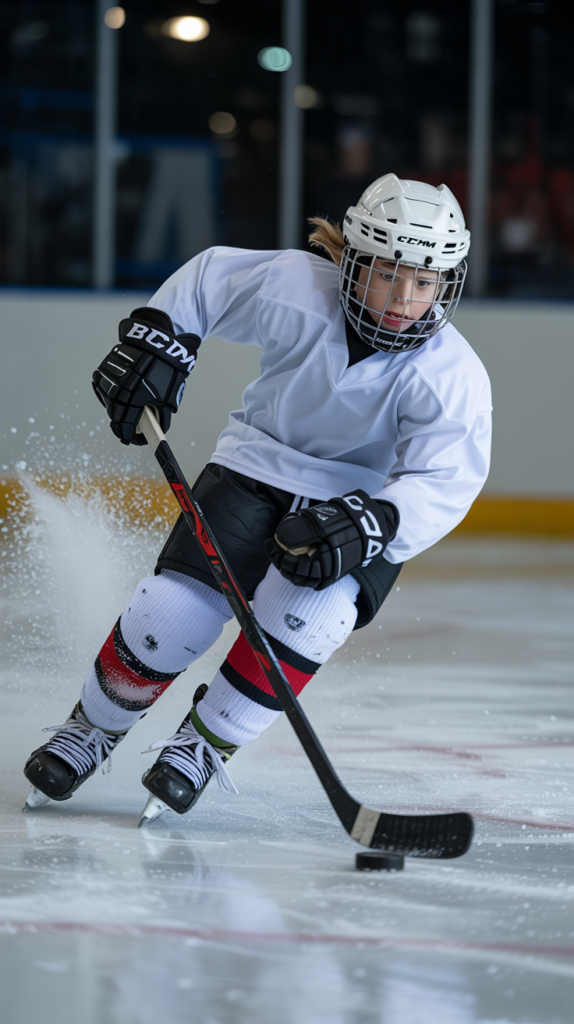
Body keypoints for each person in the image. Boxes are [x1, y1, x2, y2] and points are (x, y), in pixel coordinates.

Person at [23, 173, 492, 823]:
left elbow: (448, 479)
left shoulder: (452, 375)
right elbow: (211, 279)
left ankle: (201, 746)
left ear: (446, 284)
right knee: (173, 612)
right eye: (388, 274)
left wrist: (378, 518)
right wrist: (160, 337)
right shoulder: (299, 289)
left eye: (423, 282)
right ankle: (93, 728)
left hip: (354, 513)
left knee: (308, 619)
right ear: (353, 262)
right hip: (256, 466)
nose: (402, 299)